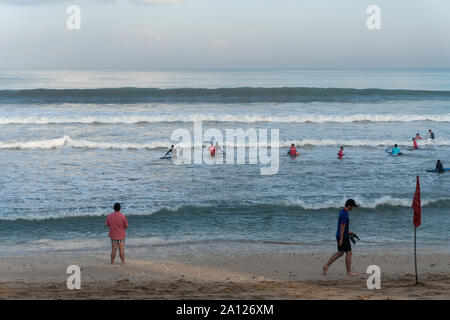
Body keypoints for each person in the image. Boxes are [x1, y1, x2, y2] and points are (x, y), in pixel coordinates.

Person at [323, 199, 359, 276]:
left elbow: (343, 225)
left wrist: (349, 231)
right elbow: (342, 226)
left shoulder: (343, 211)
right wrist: (341, 238)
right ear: (349, 205)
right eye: (352, 206)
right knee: (349, 253)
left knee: (340, 252)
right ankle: (349, 272)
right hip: (343, 236)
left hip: (341, 235)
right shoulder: (345, 214)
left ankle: (326, 265)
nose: (353, 208)